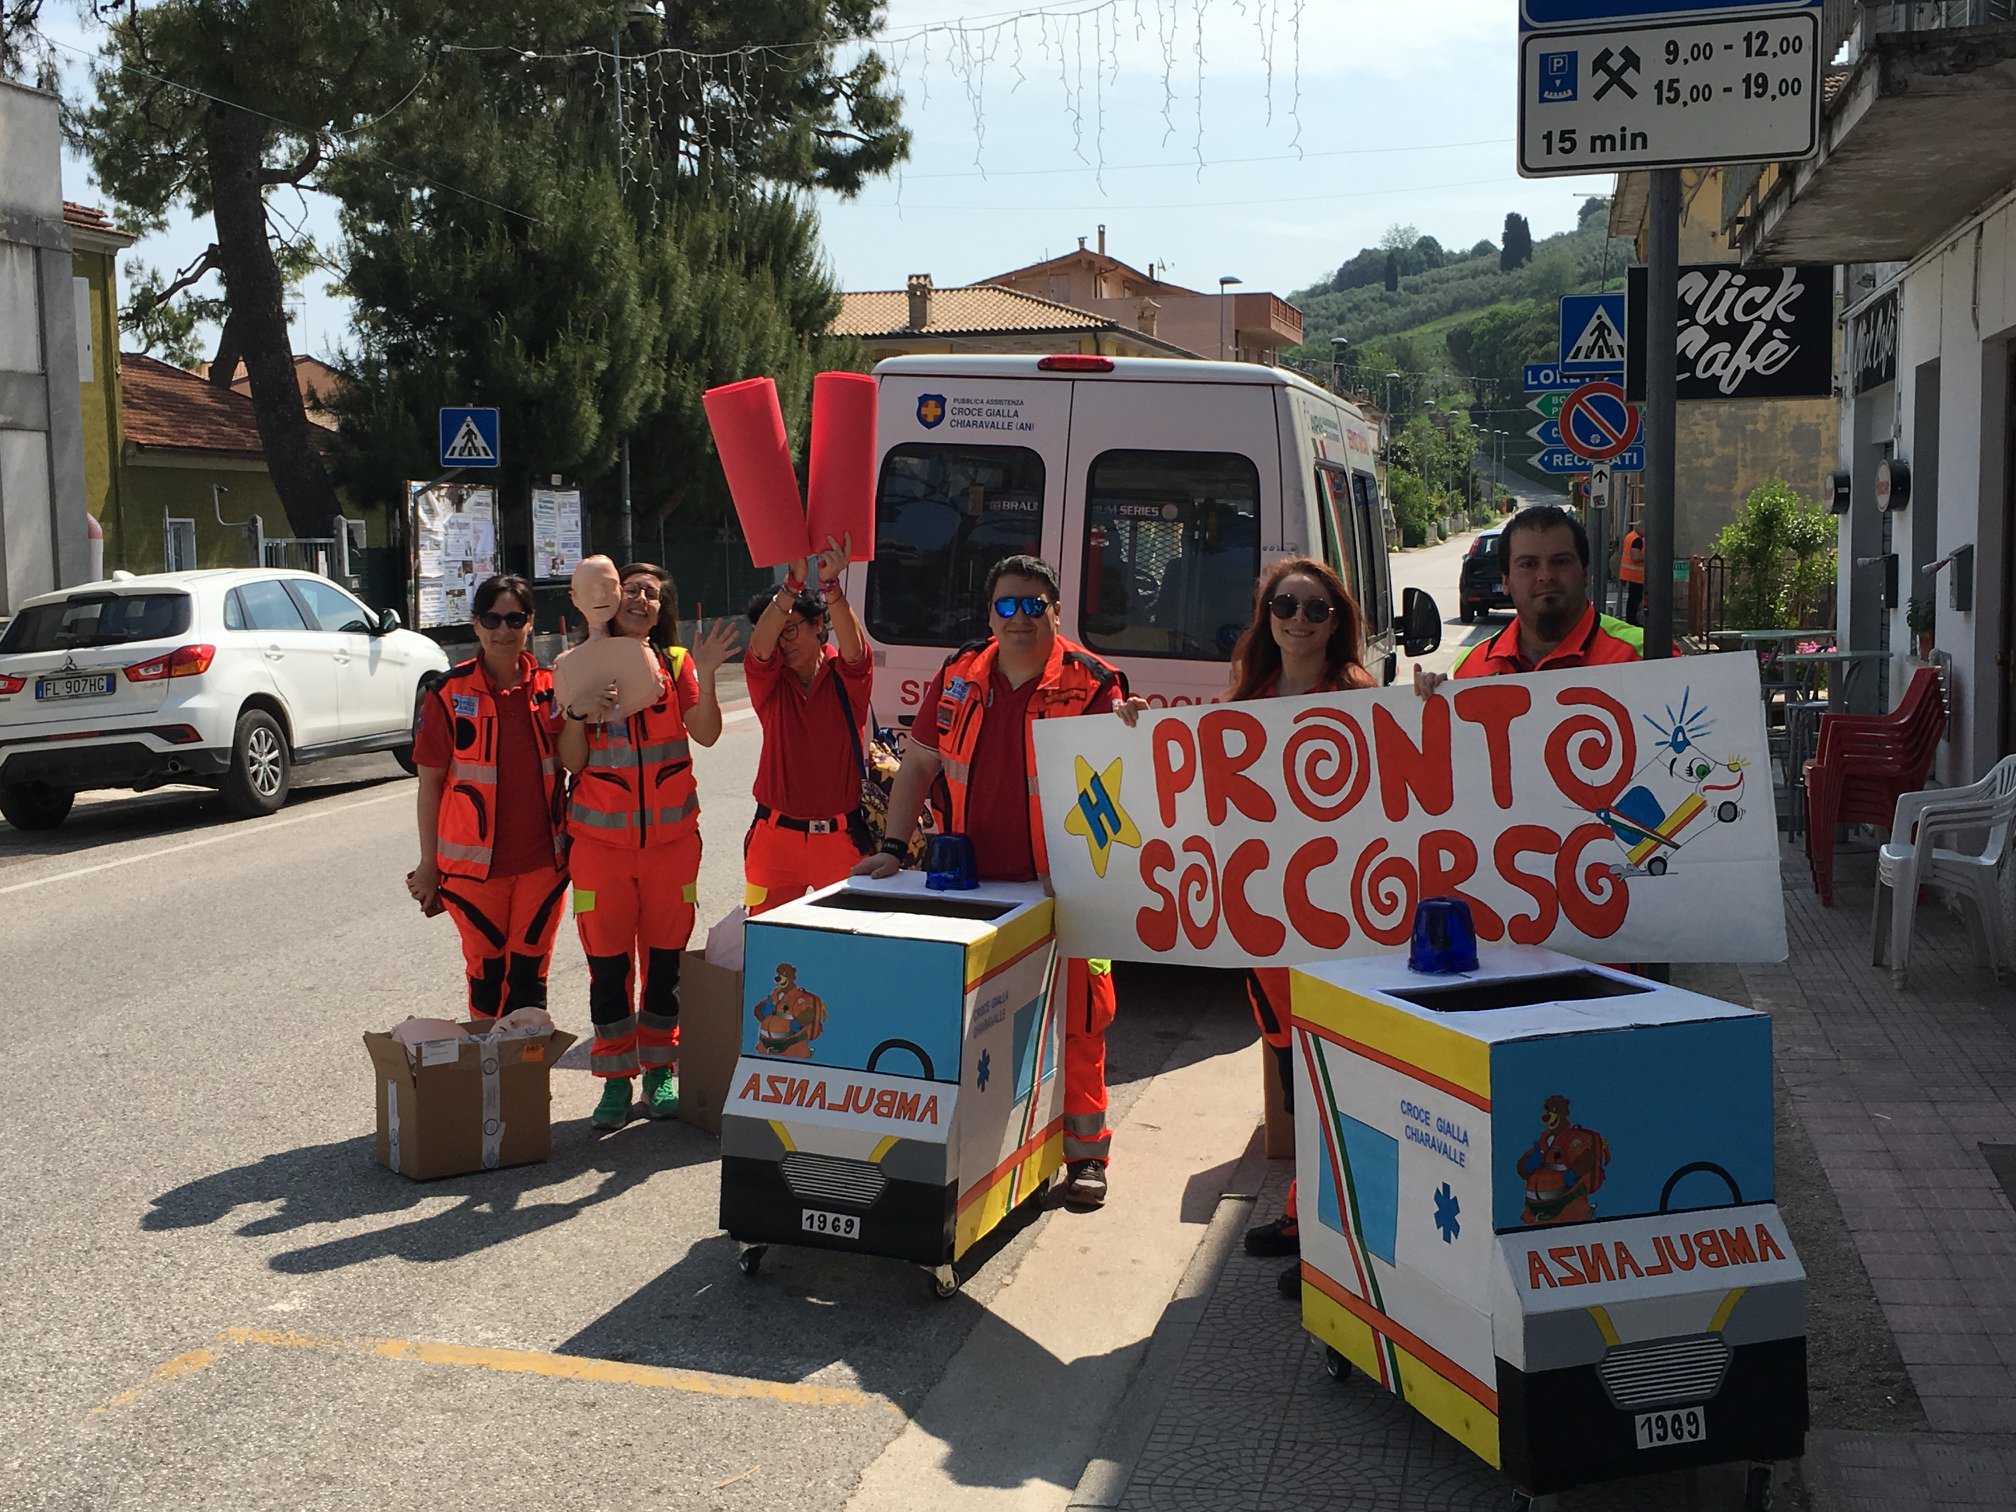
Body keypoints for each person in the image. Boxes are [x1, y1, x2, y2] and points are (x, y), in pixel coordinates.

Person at [852, 555, 1144, 1208]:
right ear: (989, 614)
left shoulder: (1094, 682)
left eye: (1034, 605)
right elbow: (918, 765)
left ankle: (1085, 1156)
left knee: (1080, 1020)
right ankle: (990, 1153)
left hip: (1067, 892)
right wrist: (893, 849)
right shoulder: (960, 674)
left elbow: (1125, 772)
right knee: (979, 1023)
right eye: (1007, 605)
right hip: (972, 888)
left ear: (1056, 612)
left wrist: (1133, 731)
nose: (1020, 618)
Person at [1223, 558, 1378, 1300]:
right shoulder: (1246, 699)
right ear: (1267, 616)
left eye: (1316, 608)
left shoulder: (1358, 697)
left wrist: (1429, 703)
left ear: (1336, 620)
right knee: (1298, 1080)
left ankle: (1339, 1241)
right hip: (1269, 931)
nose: (1299, 619)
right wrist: (1137, 729)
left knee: (1339, 1083)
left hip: (1341, 930)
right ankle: (1304, 1212)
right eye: (1285, 605)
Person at [558, 562, 740, 1129]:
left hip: (671, 847)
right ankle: (615, 1080)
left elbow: (706, 732)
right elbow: (571, 760)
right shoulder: (577, 663)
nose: (641, 599)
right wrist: (576, 714)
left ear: (663, 609)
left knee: (665, 967)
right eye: (631, 590)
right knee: (608, 969)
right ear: (611, 598)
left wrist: (706, 674)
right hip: (599, 851)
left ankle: (660, 1070)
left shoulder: (677, 663)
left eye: (652, 594)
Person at [408, 574, 568, 1019]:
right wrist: (428, 863)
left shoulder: (554, 687)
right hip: (472, 872)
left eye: (515, 619)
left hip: (543, 865)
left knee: (530, 977)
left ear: (530, 622)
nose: (503, 630)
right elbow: (429, 786)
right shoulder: (446, 693)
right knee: (486, 976)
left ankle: (528, 1066)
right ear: (476, 624)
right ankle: (489, 1064)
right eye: (492, 619)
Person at [741, 533, 874, 914]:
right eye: (776, 632)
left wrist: (830, 586)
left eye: (790, 630)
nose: (782, 643)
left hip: (841, 838)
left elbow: (856, 652)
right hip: (774, 839)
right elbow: (760, 648)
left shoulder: (845, 676)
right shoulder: (769, 681)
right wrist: (792, 585)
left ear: (817, 624)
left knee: (845, 941)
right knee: (770, 944)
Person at [1415, 505, 1643, 699]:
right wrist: (1431, 702)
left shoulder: (1643, 655)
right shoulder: (1472, 668)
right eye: (1528, 564)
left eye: (1561, 561)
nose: (1545, 576)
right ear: (1506, 580)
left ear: (1585, 573)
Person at [1618, 517, 1646, 625]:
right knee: (1634, 601)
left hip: (1629, 574)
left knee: (1632, 601)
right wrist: (1648, 556)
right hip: (1636, 576)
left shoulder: (1630, 536)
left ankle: (1631, 620)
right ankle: (1632, 622)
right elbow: (1636, 557)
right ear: (1641, 528)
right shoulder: (1637, 540)